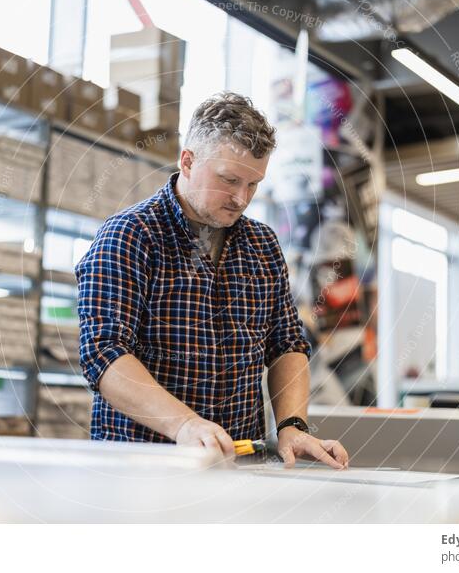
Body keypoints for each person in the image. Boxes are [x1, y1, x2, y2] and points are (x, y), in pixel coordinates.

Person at [75, 92, 349, 469]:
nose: (241, 198)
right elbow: (104, 354)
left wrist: (292, 425)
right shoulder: (130, 235)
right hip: (138, 469)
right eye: (229, 180)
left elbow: (286, 343)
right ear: (187, 161)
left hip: (235, 468)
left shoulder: (263, 245)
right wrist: (184, 425)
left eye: (253, 184)